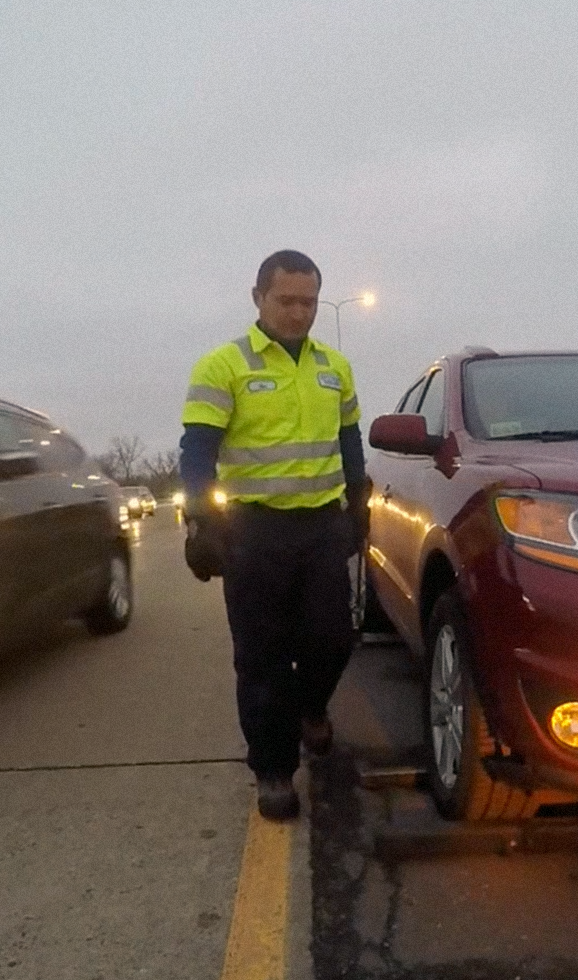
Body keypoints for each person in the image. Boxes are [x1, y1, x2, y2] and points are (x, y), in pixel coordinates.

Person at [179, 250, 370, 820]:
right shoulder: (223, 366)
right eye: (287, 300)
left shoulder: (334, 366)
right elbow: (197, 452)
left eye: (308, 302)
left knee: (333, 639)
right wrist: (200, 521)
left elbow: (350, 440)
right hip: (252, 530)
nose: (299, 312)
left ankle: (311, 708)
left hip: (319, 528)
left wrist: (356, 506)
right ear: (258, 297)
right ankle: (273, 769)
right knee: (260, 656)